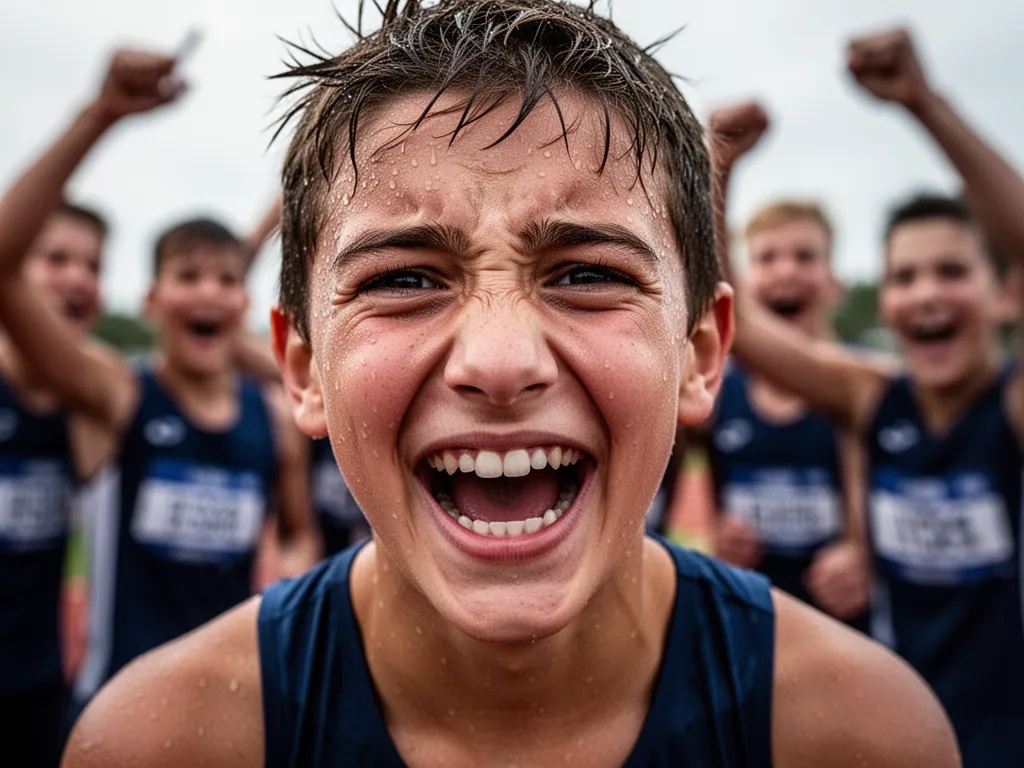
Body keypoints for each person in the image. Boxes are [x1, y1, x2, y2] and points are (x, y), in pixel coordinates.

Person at [63, 4, 957, 766]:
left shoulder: (855, 731)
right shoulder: (170, 741)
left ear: (700, 353)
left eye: (585, 275)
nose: (497, 361)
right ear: (304, 371)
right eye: (404, 279)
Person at [708, 27, 1024, 768]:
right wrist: (716, 169)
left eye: (952, 271)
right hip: (893, 726)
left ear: (1004, 294)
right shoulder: (871, 395)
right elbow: (738, 321)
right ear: (884, 303)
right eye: (906, 278)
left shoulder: (1009, 407)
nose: (927, 294)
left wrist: (924, 103)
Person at [0, 47, 322, 731]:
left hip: (231, 717)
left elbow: (298, 536)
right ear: (150, 301)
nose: (208, 292)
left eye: (226, 281)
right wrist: (102, 114)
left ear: (246, 307)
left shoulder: (271, 418)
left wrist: (289, 586)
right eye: (187, 278)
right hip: (112, 717)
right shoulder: (116, 398)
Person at [704, 200, 872, 628]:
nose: (786, 271)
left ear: (834, 283)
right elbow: (695, 504)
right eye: (767, 257)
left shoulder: (861, 389)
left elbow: (875, 508)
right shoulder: (718, 389)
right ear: (742, 281)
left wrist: (861, 554)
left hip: (843, 629)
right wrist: (717, 539)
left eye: (805, 256)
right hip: (746, 623)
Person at [0, 200, 109, 765]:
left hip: (42, 685)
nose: (78, 279)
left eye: (93, 266)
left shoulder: (91, 402)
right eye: (56, 259)